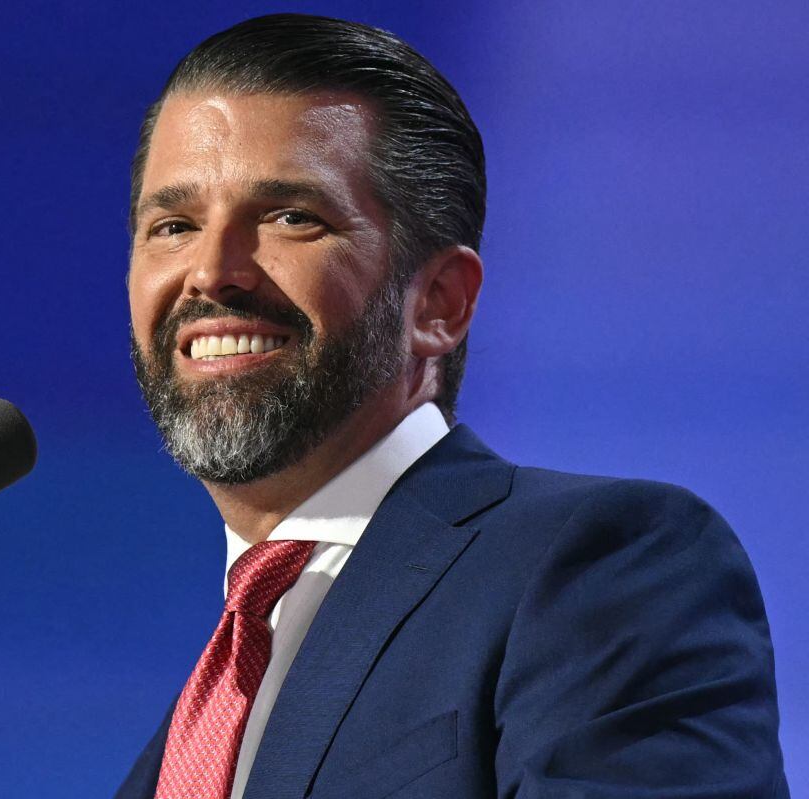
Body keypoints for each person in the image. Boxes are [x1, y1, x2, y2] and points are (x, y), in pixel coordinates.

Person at [116, 13, 787, 799]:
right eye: (174, 225)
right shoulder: (195, 721)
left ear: (438, 301)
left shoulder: (601, 567)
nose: (211, 271)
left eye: (292, 217)